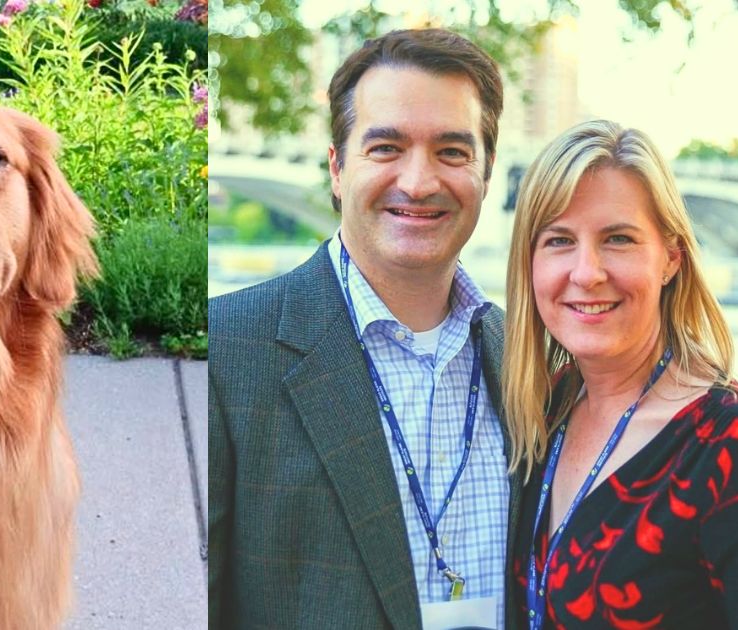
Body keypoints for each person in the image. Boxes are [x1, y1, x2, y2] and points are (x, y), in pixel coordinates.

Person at [209, 29, 524, 629]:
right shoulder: (229, 354)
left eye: (452, 152)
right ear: (337, 168)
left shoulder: (532, 360)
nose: (419, 182)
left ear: (485, 173)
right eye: (386, 148)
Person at [503, 120, 738, 629]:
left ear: (670, 258)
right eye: (559, 240)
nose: (587, 272)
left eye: (618, 239)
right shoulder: (542, 411)